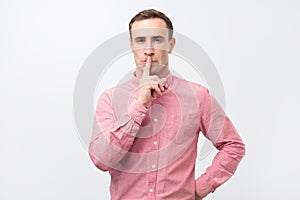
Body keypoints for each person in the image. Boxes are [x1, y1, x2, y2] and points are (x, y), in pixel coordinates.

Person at [89, 9, 245, 200]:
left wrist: (199, 189)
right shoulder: (110, 99)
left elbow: (233, 145)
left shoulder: (198, 97)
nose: (148, 50)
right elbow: (101, 160)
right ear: (131, 45)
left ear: (171, 45)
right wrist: (139, 104)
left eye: (157, 40)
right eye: (140, 40)